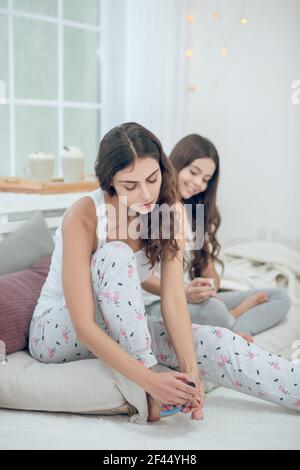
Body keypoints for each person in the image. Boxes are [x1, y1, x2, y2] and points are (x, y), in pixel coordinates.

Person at [29, 124, 299, 423]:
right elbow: (83, 325)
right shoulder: (85, 215)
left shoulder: (171, 214)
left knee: (217, 342)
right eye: (130, 186)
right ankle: (150, 390)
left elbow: (173, 300)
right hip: (57, 329)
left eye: (152, 178)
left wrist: (191, 372)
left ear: (162, 169)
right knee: (116, 254)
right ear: (110, 184)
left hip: (126, 325)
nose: (145, 193)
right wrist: (150, 378)